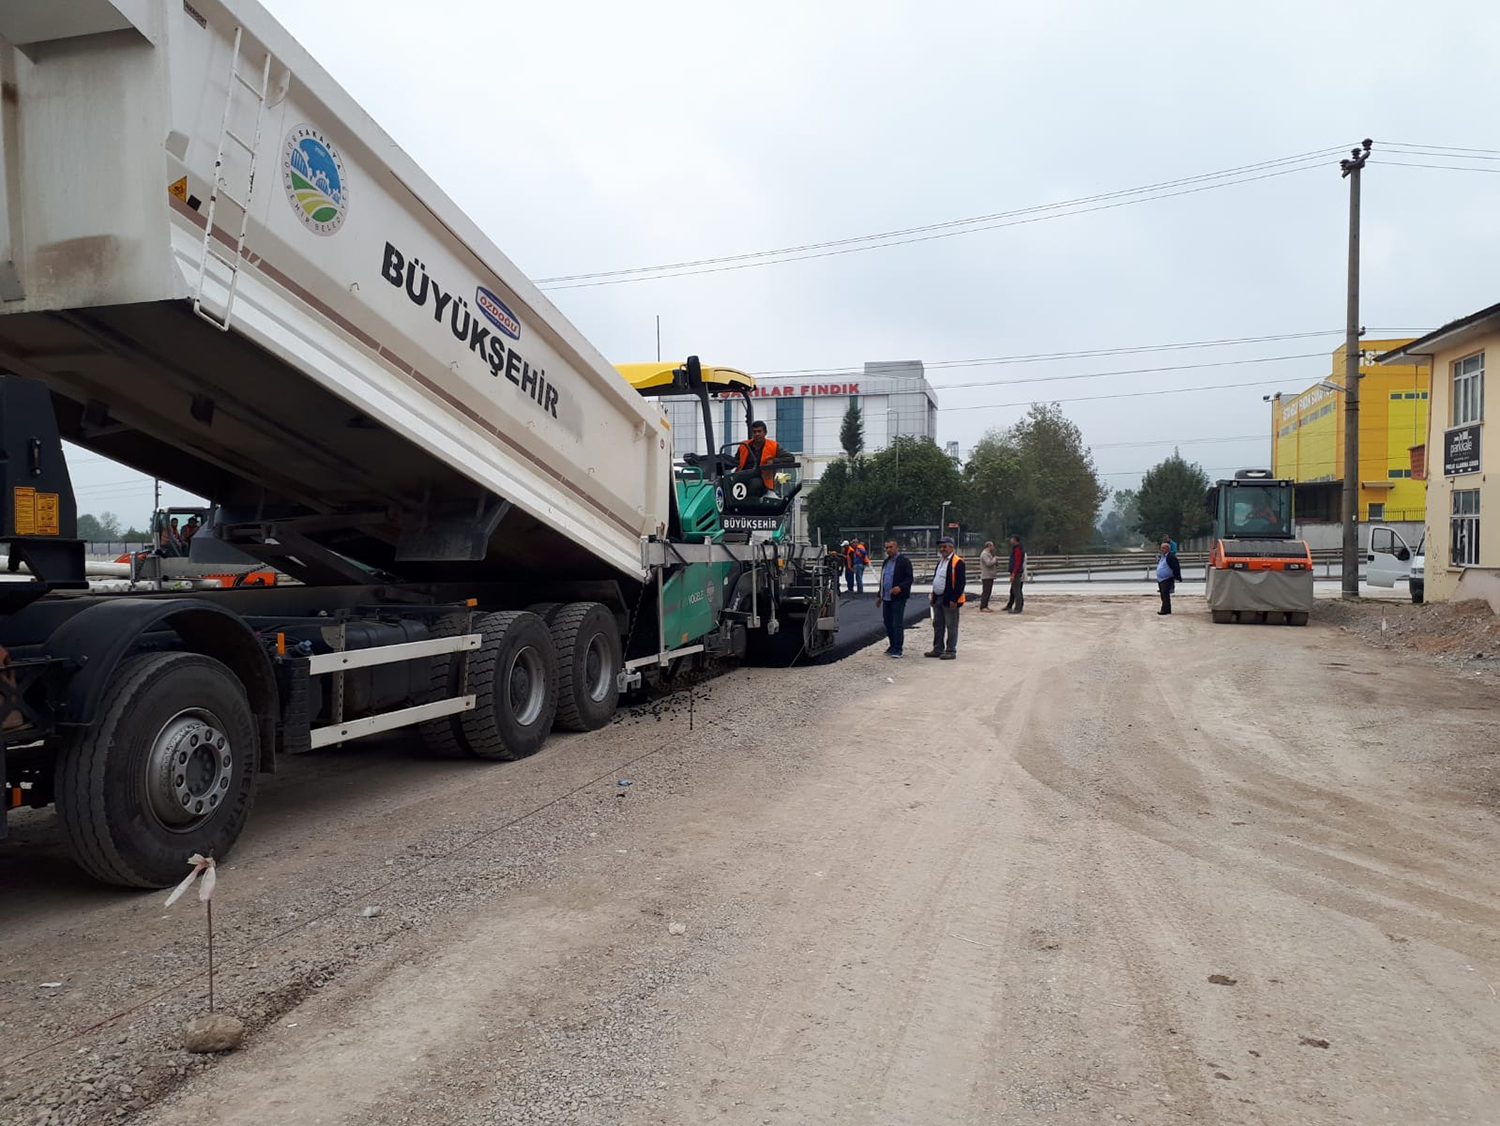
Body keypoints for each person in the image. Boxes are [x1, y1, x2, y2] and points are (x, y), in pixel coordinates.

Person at [926, 536, 966, 660]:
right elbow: (937, 578)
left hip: (949, 599)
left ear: (951, 547)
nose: (942, 549)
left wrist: (954, 599)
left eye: (944, 546)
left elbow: (960, 583)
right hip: (938, 597)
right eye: (940, 547)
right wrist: (933, 593)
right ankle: (938, 648)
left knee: (951, 625)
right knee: (938, 624)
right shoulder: (941, 562)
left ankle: (950, 650)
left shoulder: (958, 562)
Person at [879, 539, 913, 657]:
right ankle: (892, 645)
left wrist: (900, 587)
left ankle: (898, 648)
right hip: (886, 598)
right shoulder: (886, 562)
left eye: (890, 547)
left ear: (896, 547)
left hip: (898, 598)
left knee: (896, 623)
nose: (888, 550)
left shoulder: (904, 562)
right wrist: (880, 595)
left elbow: (909, 578)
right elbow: (883, 580)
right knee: (887, 622)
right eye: (886, 548)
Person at [735, 420, 780, 493]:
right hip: (742, 476)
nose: (757, 434)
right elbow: (736, 461)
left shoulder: (773, 446)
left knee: (755, 483)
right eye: (754, 432)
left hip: (762, 479)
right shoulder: (743, 445)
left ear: (765, 433)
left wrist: (774, 461)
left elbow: (790, 458)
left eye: (759, 431)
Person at [1156, 540, 1182, 615]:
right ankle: (1166, 609)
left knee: (1165, 594)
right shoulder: (1163, 556)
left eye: (1163, 548)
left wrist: (1177, 576)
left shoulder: (1171, 557)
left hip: (1167, 578)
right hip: (1161, 579)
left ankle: (1165, 610)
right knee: (1163, 594)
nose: (1161, 549)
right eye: (1161, 548)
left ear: (1167, 549)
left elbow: (1175, 567)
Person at [1004, 534, 1026, 613]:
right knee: (1014, 589)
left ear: (1014, 540)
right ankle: (1015, 606)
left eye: (1011, 539)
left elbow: (1017, 562)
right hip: (1016, 571)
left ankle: (1018, 608)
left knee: (1017, 590)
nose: (1010, 540)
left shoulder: (1017, 549)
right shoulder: (1017, 548)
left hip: (1016, 572)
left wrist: (1013, 573)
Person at [978, 541, 998, 611]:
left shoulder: (988, 554)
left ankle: (985, 605)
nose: (993, 548)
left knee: (988, 591)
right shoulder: (984, 554)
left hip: (990, 575)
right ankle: (983, 606)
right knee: (986, 591)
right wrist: (994, 559)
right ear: (989, 546)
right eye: (992, 546)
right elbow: (988, 563)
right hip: (986, 575)